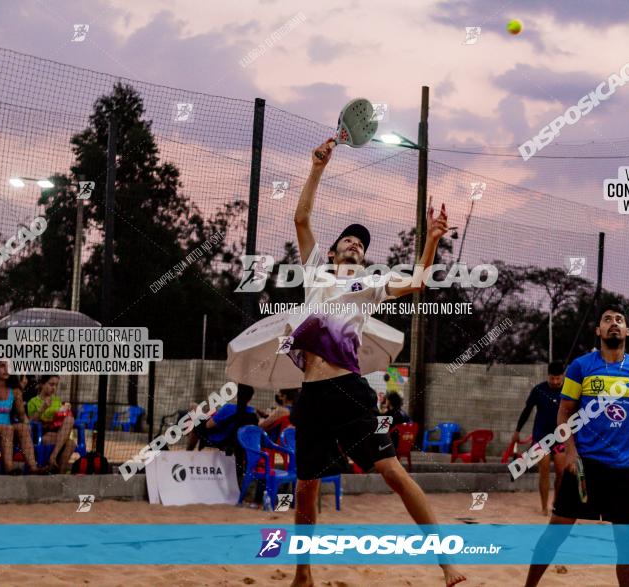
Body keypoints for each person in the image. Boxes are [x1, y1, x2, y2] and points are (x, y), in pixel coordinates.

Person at [288, 139, 465, 587]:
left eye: (361, 244)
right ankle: (302, 574)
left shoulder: (369, 284)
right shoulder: (315, 273)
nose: (354, 244)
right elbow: (302, 218)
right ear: (330, 254)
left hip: (351, 391)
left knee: (392, 472)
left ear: (364, 259)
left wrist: (432, 240)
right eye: (347, 239)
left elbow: (419, 283)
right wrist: (317, 167)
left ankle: (447, 564)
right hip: (311, 395)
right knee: (306, 487)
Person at [524, 306, 629, 587]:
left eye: (619, 320)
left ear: (627, 331)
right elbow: (564, 413)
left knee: (628, 544)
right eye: (607, 320)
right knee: (555, 531)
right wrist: (570, 450)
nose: (613, 323)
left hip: (626, 468)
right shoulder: (581, 367)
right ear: (599, 331)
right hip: (586, 465)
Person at [511, 361, 567, 516]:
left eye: (558, 379)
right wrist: (517, 430)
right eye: (552, 379)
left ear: (563, 376)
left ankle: (557, 503)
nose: (555, 382)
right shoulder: (539, 390)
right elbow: (527, 410)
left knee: (561, 473)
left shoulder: (568, 391)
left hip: (560, 437)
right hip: (541, 437)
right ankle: (544, 507)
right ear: (548, 376)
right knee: (544, 471)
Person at [191, 384, 259, 488]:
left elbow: (209, 425)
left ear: (237, 395)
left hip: (219, 439)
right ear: (250, 397)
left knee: (193, 408)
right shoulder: (252, 412)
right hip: (238, 443)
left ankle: (188, 452)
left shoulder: (228, 408)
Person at [26, 375, 77, 473]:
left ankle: (58, 473)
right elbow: (31, 422)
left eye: (56, 385)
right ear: (42, 384)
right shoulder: (33, 402)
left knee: (71, 441)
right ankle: (54, 467)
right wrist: (42, 409)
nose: (54, 388)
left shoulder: (57, 400)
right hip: (42, 434)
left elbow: (61, 417)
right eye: (51, 384)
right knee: (64, 441)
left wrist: (64, 412)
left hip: (58, 432)